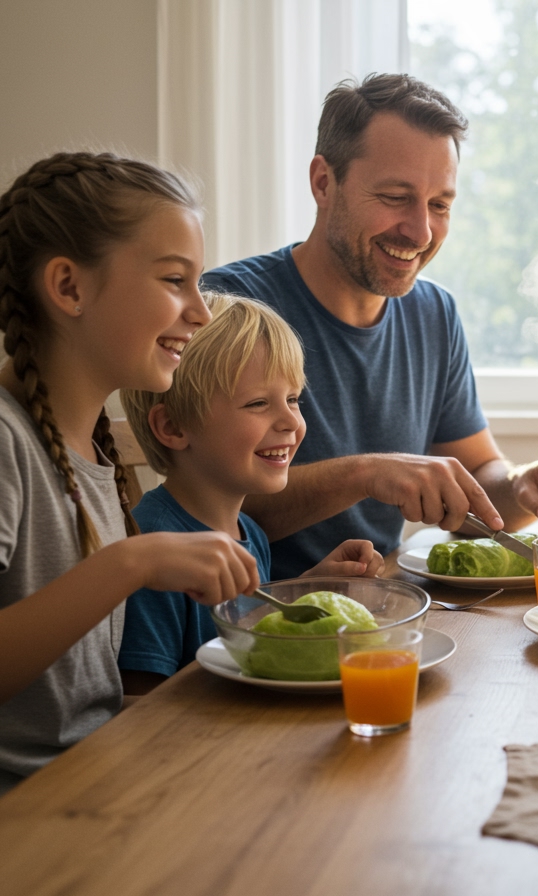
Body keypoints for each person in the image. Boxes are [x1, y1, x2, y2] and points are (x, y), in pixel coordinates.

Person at [202, 73, 538, 578]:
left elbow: (475, 475)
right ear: (324, 183)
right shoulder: (233, 308)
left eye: (440, 205)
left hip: (379, 609)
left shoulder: (434, 313)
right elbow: (205, 507)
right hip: (256, 620)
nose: (421, 231)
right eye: (394, 196)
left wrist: (522, 484)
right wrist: (368, 474)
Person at [0, 153, 261, 793]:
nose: (200, 312)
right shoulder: (5, 439)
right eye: (175, 280)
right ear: (69, 288)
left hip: (100, 780)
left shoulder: (89, 446)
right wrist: (133, 563)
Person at [116, 294, 383, 695]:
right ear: (173, 427)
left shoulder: (250, 532)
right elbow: (141, 705)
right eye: (259, 403)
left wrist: (305, 589)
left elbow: (247, 632)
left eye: (293, 399)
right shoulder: (154, 551)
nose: (291, 420)